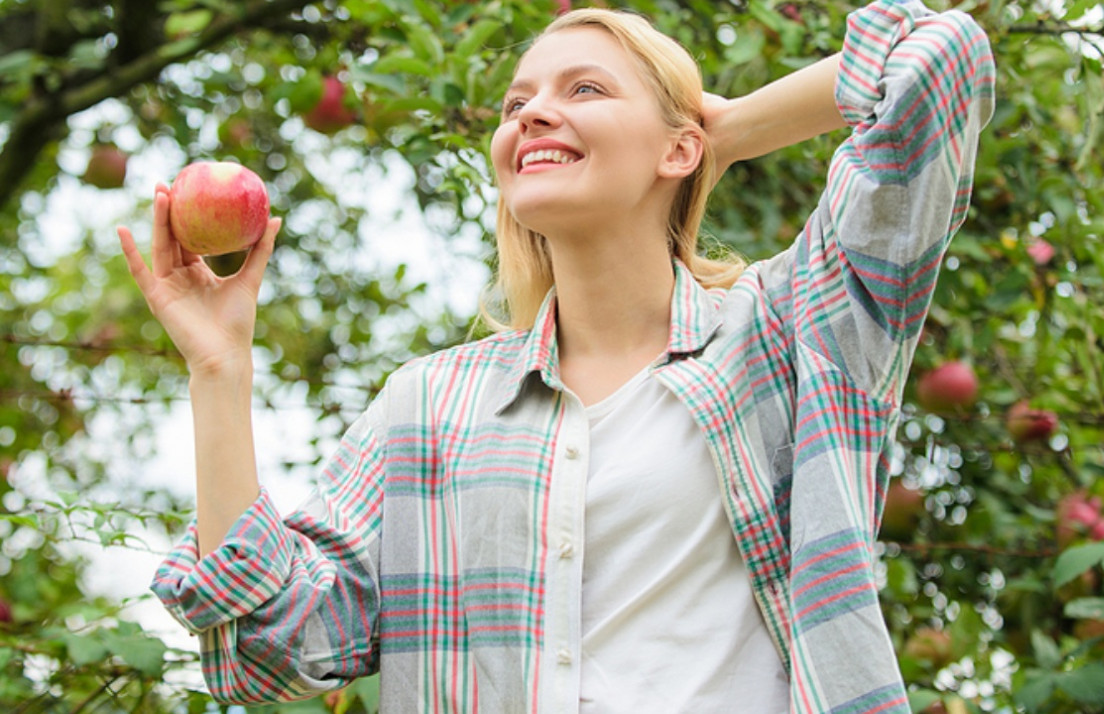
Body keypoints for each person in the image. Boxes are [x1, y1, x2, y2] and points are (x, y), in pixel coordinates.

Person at [120, 0, 994, 710]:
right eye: (516, 104)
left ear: (677, 149)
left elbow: (933, 61)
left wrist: (722, 133)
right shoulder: (429, 407)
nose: (535, 111)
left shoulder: (789, 331)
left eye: (584, 89)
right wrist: (219, 369)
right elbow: (274, 650)